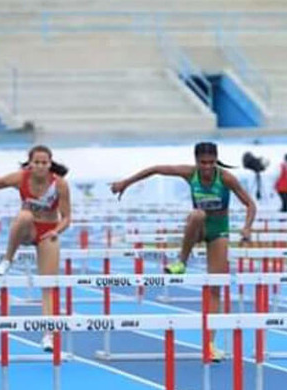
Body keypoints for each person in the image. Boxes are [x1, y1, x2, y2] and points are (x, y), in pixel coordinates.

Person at [109, 142, 256, 360]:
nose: (207, 167)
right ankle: (181, 263)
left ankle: (210, 344)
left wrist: (246, 229)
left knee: (215, 288)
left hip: (219, 231)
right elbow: (156, 169)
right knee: (197, 215)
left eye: (211, 162)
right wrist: (126, 183)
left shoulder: (226, 178)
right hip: (199, 227)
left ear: (216, 161)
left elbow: (251, 205)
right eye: (203, 162)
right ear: (196, 161)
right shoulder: (190, 174)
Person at [0, 145, 72, 351]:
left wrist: (56, 231)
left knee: (48, 285)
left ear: (50, 164)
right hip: (27, 229)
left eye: (45, 163)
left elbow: (67, 217)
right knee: (24, 215)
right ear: (30, 163)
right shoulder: (20, 178)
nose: (40, 166)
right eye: (37, 162)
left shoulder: (60, 185)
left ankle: (48, 334)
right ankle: (7, 259)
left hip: (48, 231)